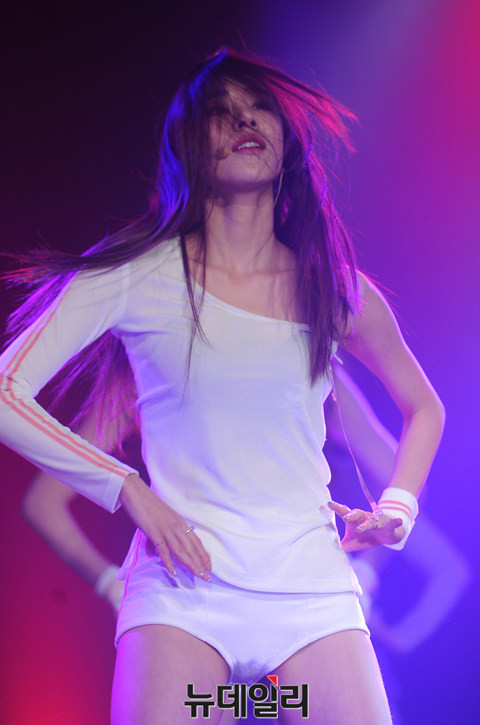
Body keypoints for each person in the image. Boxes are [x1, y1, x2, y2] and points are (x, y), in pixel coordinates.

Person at [0, 48, 445, 724]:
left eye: (259, 107)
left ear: (286, 140)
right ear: (188, 144)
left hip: (310, 593)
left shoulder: (333, 288)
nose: (244, 120)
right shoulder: (135, 274)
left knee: (270, 709)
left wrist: (399, 509)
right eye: (220, 111)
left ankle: (252, 706)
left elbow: (424, 407)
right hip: (185, 595)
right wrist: (128, 489)